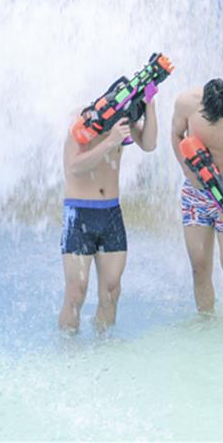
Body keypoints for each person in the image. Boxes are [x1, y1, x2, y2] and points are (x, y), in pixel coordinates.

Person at [59, 82, 158, 333]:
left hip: (111, 214)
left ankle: (104, 346)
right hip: (79, 213)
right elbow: (73, 166)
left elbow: (149, 144)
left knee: (112, 291)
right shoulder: (83, 120)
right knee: (76, 292)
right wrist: (110, 141)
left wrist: (150, 105)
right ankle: (68, 349)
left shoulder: (123, 119)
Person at [170, 78, 223, 331]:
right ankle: (206, 323)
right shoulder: (185, 103)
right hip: (195, 194)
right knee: (199, 267)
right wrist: (187, 171)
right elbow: (176, 134)